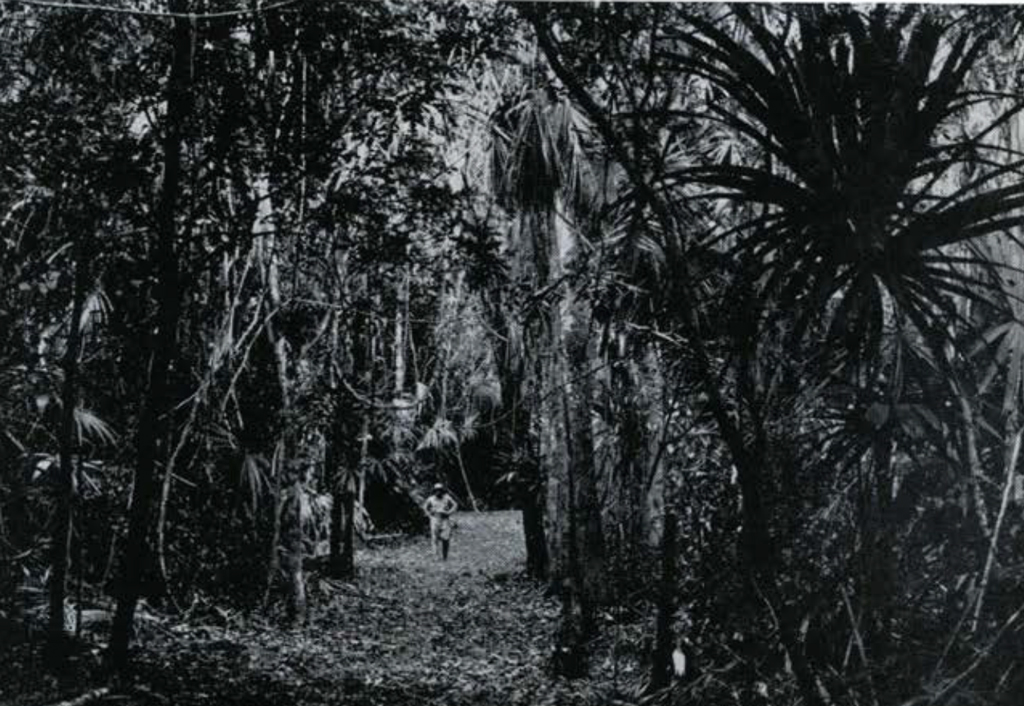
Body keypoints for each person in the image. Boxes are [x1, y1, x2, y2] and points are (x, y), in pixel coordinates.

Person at [423, 483, 458, 560]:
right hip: (435, 519)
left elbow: (455, 505)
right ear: (434, 491)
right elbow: (425, 507)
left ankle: (445, 556)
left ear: (442, 491)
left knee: (445, 538)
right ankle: (436, 556)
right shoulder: (431, 499)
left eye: (440, 490)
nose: (438, 492)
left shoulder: (447, 498)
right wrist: (429, 514)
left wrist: (449, 512)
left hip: (445, 519)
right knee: (435, 538)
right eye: (436, 490)